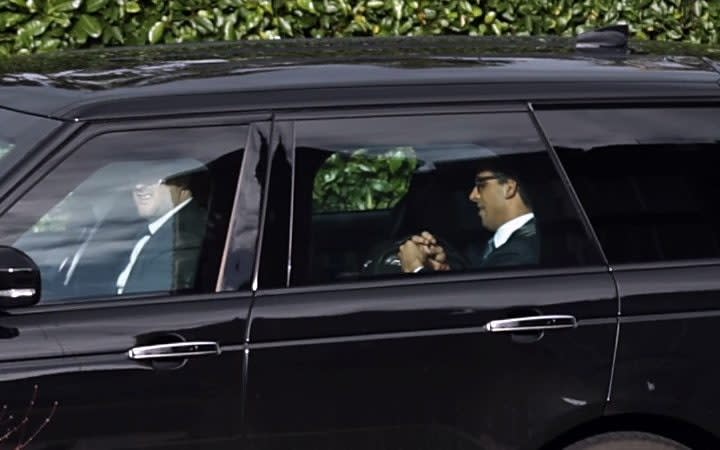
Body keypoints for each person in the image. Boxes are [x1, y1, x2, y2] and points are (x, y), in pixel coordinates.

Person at [398, 162, 539, 273]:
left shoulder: (520, 253)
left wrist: (415, 268)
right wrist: (445, 269)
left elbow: (479, 301)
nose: (472, 196)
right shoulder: (519, 242)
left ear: (508, 188)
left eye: (481, 185)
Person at [116, 162, 208, 295]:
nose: (139, 186)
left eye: (152, 176)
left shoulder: (184, 238)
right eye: (136, 177)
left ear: (182, 181)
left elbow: (147, 308)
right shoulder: (145, 230)